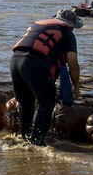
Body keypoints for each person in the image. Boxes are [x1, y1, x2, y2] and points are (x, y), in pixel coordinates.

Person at [9, 8, 81, 145]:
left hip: (15, 61)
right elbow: (73, 64)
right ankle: (37, 142)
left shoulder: (39, 26)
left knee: (26, 102)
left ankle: (23, 137)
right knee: (46, 102)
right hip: (34, 63)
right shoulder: (66, 32)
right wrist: (76, 88)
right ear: (71, 25)